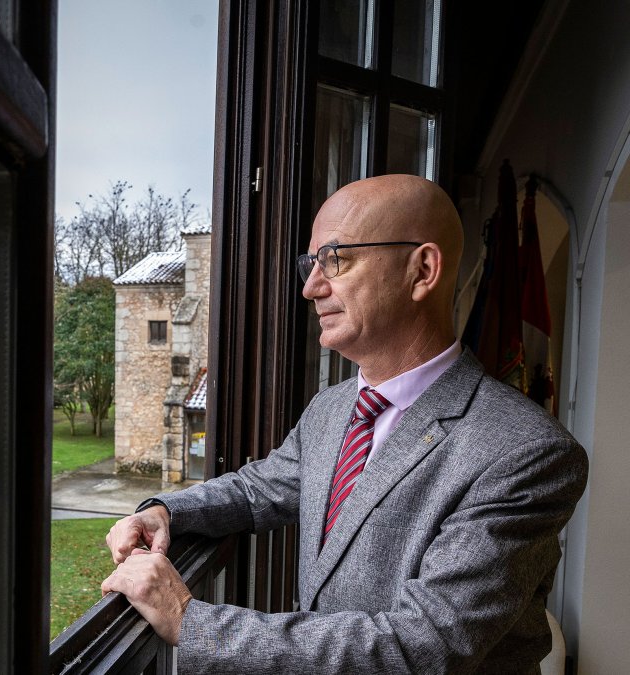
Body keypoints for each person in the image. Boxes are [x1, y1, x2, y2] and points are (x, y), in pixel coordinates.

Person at [101, 174, 589, 673]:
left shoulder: (526, 451)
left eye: (335, 259)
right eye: (310, 264)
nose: (312, 287)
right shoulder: (333, 408)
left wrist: (189, 620)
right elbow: (258, 489)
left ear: (422, 270)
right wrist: (165, 512)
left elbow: (423, 647)